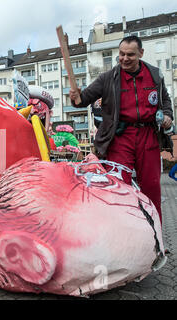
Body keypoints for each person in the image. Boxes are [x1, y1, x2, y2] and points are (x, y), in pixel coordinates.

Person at [69, 35, 174, 224]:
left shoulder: (155, 75)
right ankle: (123, 237)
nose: (124, 58)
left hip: (148, 135)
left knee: (151, 187)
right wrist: (76, 97)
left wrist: (167, 115)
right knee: (119, 186)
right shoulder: (108, 78)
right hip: (119, 138)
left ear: (141, 53)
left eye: (130, 55)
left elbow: (165, 100)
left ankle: (155, 238)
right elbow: (83, 99)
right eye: (121, 54)